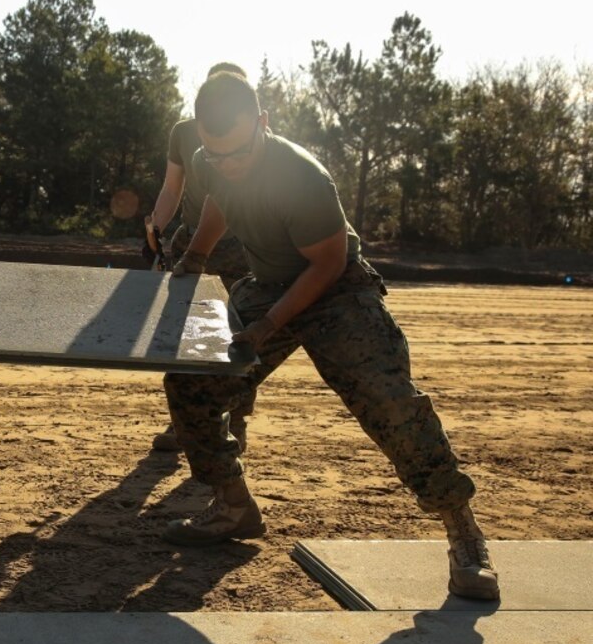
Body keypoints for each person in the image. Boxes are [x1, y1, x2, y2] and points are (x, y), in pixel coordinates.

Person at [163, 72, 499, 601]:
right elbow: (220, 201)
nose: (227, 164)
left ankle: (465, 535)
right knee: (190, 383)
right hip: (269, 283)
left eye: (237, 152)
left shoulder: (301, 177)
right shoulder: (214, 159)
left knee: (392, 407)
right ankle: (233, 505)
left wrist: (268, 324)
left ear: (264, 124)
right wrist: (193, 258)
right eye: (214, 153)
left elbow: (328, 262)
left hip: (336, 291)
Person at [145, 62, 253, 453]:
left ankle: (234, 426)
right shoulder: (184, 131)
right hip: (190, 241)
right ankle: (183, 425)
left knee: (236, 338)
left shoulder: (251, 130)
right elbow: (173, 187)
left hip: (238, 246)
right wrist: (155, 228)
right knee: (180, 336)